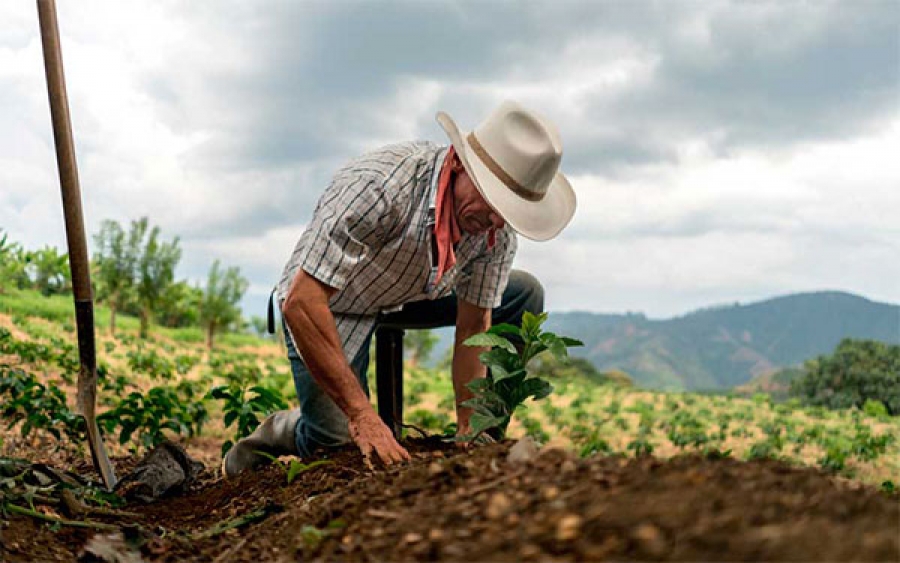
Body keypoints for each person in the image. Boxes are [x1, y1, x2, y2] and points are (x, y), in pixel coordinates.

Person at [223, 100, 576, 477]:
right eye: (492, 202)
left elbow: (475, 325)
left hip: (412, 292)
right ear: (458, 164)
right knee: (337, 444)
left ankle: (485, 438)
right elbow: (302, 301)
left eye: (507, 212)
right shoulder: (380, 187)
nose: (494, 221)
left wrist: (469, 431)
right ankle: (282, 430)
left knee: (523, 293)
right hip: (333, 301)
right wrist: (362, 415)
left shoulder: (494, 229)